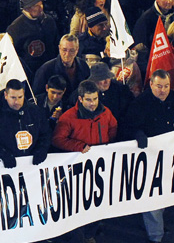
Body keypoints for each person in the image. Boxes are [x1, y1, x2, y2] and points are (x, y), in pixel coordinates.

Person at [120, 70, 174, 243]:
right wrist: (137, 133)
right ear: (151, 84)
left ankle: (156, 225)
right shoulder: (140, 104)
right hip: (149, 159)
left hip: (170, 156)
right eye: (159, 86)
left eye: (166, 86)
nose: (163, 90)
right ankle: (156, 236)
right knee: (153, 195)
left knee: (165, 192)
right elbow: (127, 127)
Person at [52, 80, 116, 241]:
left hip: (99, 168)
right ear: (80, 99)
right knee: (78, 206)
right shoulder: (68, 118)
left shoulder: (106, 112)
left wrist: (108, 145)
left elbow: (113, 127)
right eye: (88, 99)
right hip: (78, 172)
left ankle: (90, 235)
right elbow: (57, 140)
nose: (93, 103)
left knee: (97, 202)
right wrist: (79, 146)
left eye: (95, 99)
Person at [0, 79, 50, 167]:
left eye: (20, 97)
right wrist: (1, 153)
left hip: (30, 167)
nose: (17, 102)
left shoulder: (35, 112)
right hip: (3, 168)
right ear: (6, 95)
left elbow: (46, 133)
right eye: (13, 98)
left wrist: (42, 149)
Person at [7, 0, 59, 74]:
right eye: (36, 6)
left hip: (51, 69)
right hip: (29, 72)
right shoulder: (15, 28)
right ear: (27, 8)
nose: (41, 8)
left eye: (41, 4)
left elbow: (56, 43)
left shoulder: (49, 21)